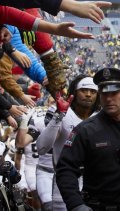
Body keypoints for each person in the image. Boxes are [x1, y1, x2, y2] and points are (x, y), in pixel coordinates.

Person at [56, 67, 120, 211]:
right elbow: (65, 169)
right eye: (104, 93)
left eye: (114, 92)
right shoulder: (85, 130)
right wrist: (76, 204)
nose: (109, 98)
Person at [36, 74, 100, 211]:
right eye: (84, 90)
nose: (88, 94)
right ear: (75, 92)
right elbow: (41, 148)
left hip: (96, 182)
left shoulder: (101, 116)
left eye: (93, 91)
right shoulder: (62, 112)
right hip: (66, 181)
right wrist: (59, 116)